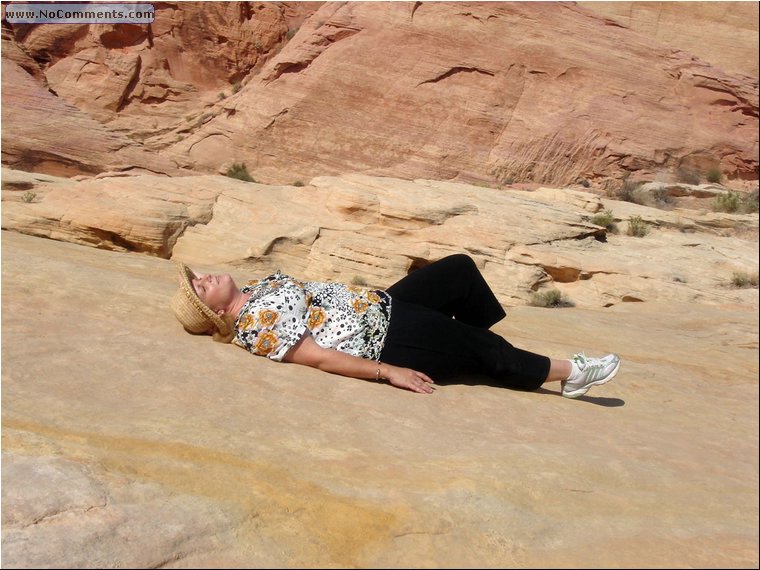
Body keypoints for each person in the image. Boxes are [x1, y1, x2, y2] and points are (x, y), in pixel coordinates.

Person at [170, 254, 620, 397]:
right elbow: (318, 357)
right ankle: (570, 374)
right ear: (216, 314)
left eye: (199, 277)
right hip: (386, 338)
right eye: (200, 287)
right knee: (488, 352)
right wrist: (389, 372)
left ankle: (477, 345)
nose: (204, 277)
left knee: (459, 272)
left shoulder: (257, 288)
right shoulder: (255, 326)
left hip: (384, 304)